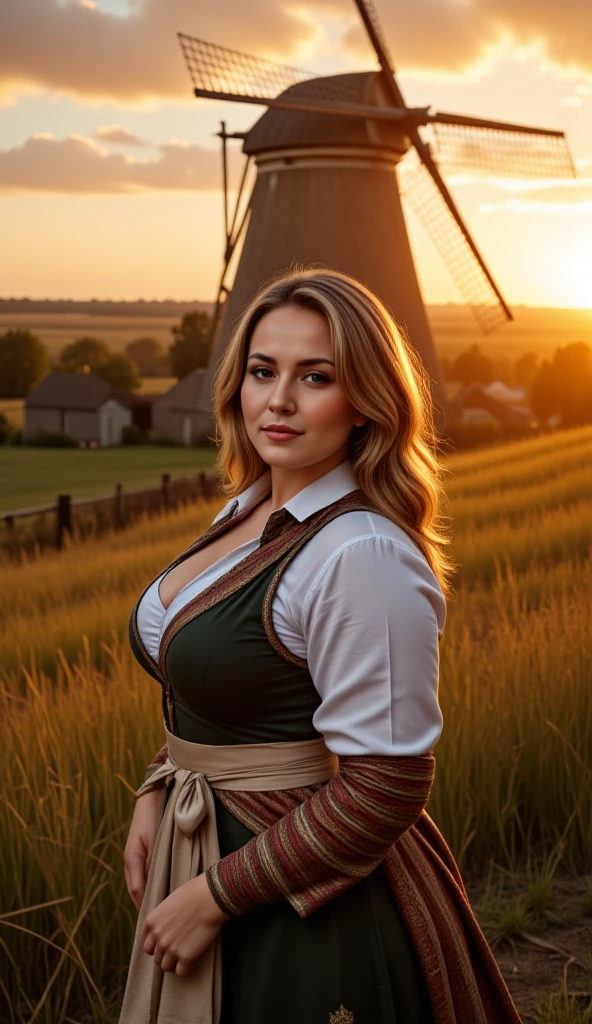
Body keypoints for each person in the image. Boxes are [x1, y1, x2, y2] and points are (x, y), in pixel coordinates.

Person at [119, 269, 521, 1024]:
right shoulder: (244, 514)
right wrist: (159, 784)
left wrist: (213, 897)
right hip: (202, 842)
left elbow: (386, 785)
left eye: (317, 377)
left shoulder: (360, 553)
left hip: (300, 895)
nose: (280, 400)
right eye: (263, 371)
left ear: (367, 400)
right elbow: (214, 686)